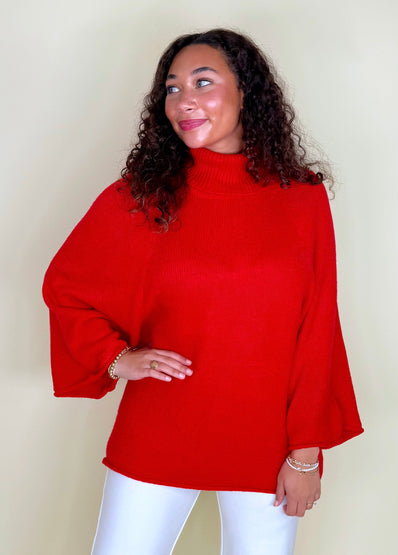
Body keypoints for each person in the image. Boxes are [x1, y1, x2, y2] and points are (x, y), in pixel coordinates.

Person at [42, 28, 364, 555]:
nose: (183, 101)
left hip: (267, 443)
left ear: (246, 92)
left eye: (203, 82)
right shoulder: (143, 196)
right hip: (158, 430)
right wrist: (117, 358)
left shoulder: (301, 198)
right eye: (172, 88)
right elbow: (66, 286)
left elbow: (317, 327)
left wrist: (306, 455)